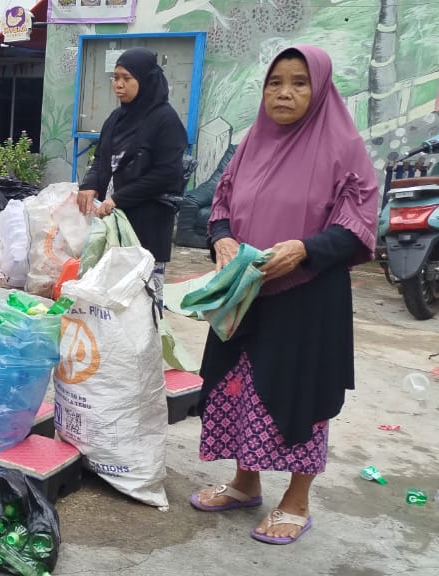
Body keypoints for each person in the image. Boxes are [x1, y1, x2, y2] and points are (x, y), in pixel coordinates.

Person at [188, 46, 378, 545]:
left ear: (319, 89)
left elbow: (358, 226)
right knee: (238, 387)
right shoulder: (251, 142)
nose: (285, 92)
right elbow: (223, 200)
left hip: (308, 297)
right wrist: (222, 237)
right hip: (246, 293)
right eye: (275, 82)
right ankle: (245, 483)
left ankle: (296, 501)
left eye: (298, 82)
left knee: (299, 394)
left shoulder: (343, 147)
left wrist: (305, 249)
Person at [76, 47, 188, 304]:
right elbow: (101, 158)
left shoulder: (165, 120)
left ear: (145, 79)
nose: (119, 84)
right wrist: (90, 184)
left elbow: (167, 173)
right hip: (112, 220)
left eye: (127, 78)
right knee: (111, 295)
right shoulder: (115, 119)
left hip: (148, 221)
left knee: (143, 299)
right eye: (115, 78)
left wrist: (119, 198)